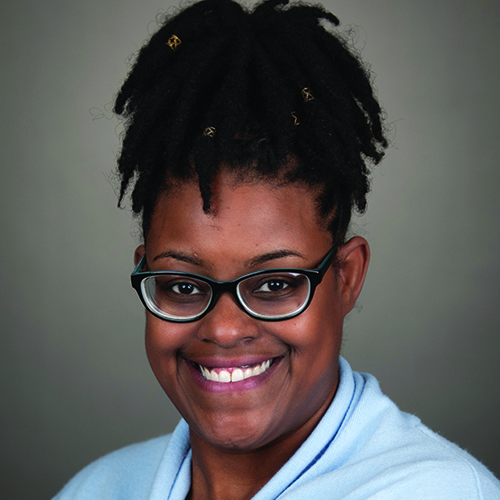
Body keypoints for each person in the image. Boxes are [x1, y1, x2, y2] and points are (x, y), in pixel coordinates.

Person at [53, 0, 500, 498]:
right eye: (183, 286)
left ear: (346, 277)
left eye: (273, 284)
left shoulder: (438, 491)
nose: (224, 329)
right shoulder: (100, 488)